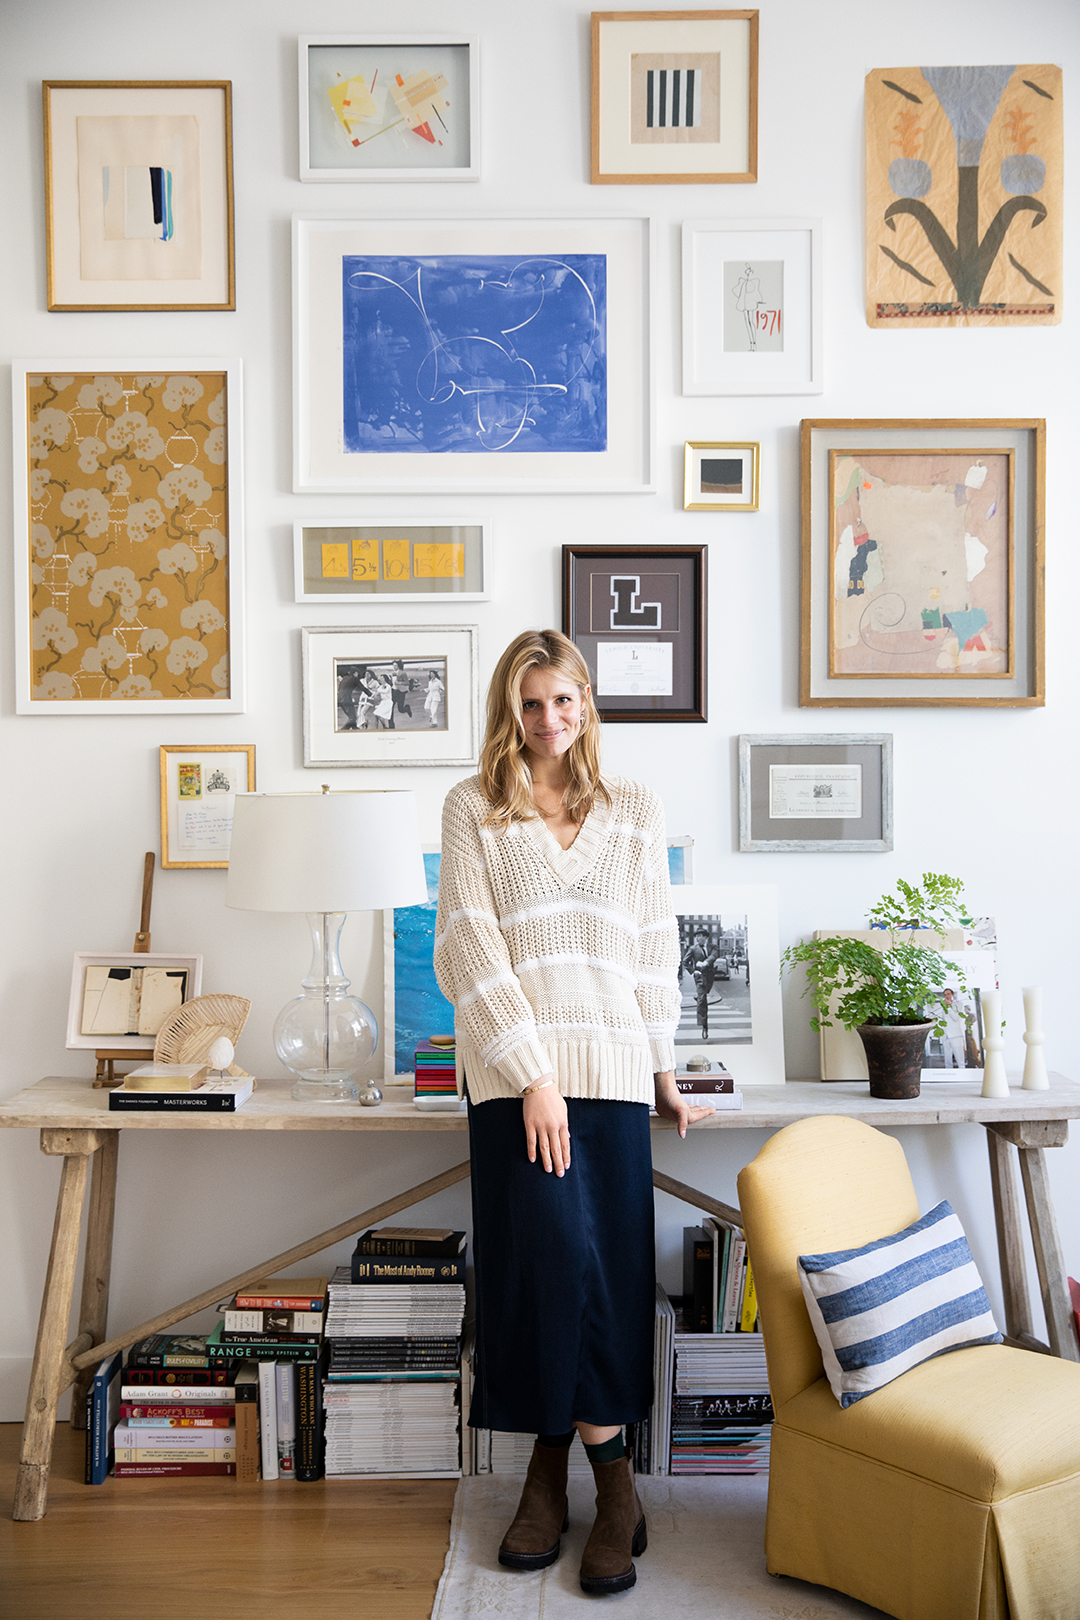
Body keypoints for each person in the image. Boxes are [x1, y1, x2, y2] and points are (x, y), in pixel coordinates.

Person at [434, 629, 709, 1596]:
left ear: (586, 702)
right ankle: (591, 1476)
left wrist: (666, 1069)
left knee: (606, 1274)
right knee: (543, 1268)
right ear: (507, 712)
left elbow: (651, 949)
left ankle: (579, 1482)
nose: (548, 721)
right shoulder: (474, 807)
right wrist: (531, 1074)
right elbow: (467, 950)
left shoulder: (633, 809)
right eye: (529, 704)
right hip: (520, 1087)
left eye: (563, 700)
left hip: (616, 1076)